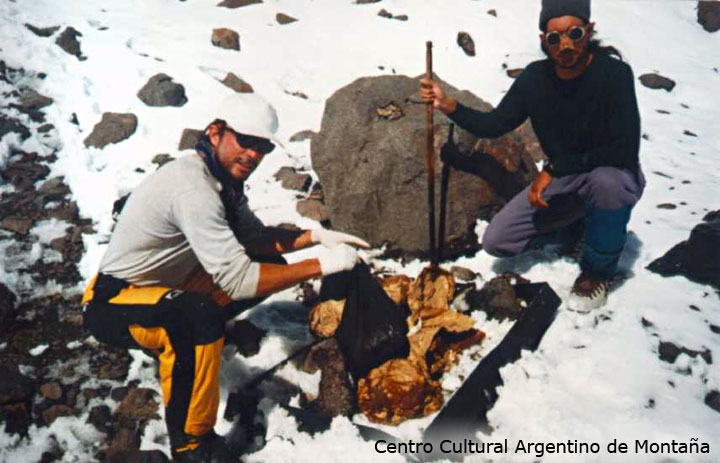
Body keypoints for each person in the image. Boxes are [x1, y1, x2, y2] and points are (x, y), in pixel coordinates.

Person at [81, 94, 369, 463]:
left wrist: (314, 237)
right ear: (215, 133)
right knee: (194, 316)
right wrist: (321, 264)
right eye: (245, 142)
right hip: (112, 303)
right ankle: (192, 446)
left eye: (262, 147)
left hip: (165, 286)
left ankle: (200, 340)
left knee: (262, 263)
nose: (253, 155)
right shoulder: (193, 188)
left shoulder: (222, 183)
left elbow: (255, 240)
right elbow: (238, 282)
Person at [420, 0, 645, 310]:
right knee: (497, 241)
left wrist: (553, 169)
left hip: (611, 170)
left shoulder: (614, 74)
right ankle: (580, 224)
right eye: (555, 38)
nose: (565, 45)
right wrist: (449, 105)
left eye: (575, 33)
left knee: (607, 184)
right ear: (544, 41)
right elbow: (494, 124)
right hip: (565, 176)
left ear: (589, 31)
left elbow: (624, 149)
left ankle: (597, 271)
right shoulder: (535, 79)